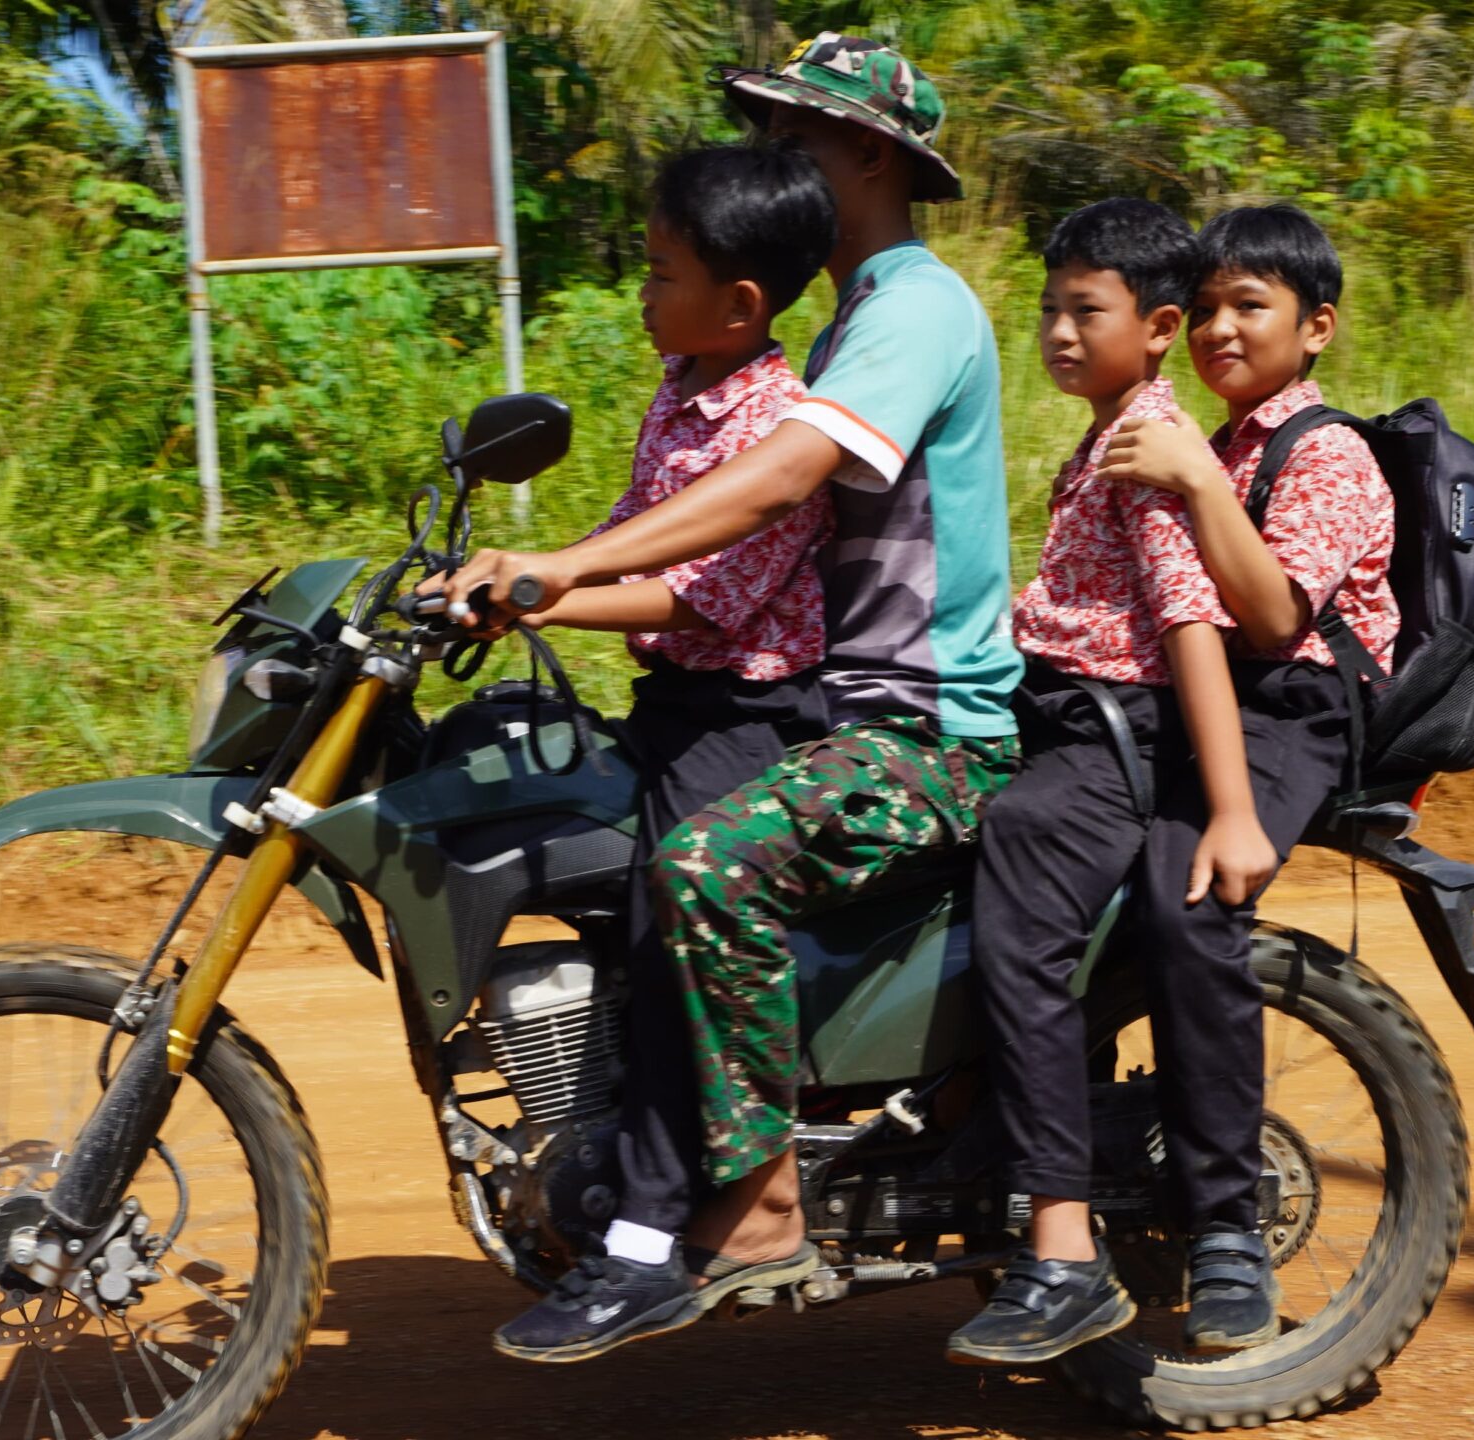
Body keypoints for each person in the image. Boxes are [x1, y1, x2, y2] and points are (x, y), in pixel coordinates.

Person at [447, 34, 1026, 1363]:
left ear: (867, 155)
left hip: (924, 732)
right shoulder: (843, 318)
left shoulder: (914, 311)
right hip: (854, 713)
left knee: (703, 870)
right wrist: (532, 583)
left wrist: (561, 567)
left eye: (793, 136)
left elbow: (770, 488)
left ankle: (758, 1208)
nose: (771, 161)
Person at [989, 200, 1400, 1357]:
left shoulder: (1324, 453)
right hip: (1200, 702)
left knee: (1189, 899)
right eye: (1209, 308)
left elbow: (1265, 619)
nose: (1222, 329)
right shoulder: (1198, 440)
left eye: (1249, 308)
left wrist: (1232, 812)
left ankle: (1223, 1227)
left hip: (1292, 712)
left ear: (1315, 327)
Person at [493, 143, 838, 1354]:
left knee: (662, 923)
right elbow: (633, 534)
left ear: (740, 301)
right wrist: (500, 577)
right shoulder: (686, 380)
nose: (641, 293)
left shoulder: (780, 425)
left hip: (748, 718)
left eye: (658, 271)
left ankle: (642, 1240)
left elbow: (698, 598)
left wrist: (536, 593)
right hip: (675, 710)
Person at [942, 196, 1282, 1365]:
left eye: (1086, 311)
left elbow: (1190, 627)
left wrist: (1231, 808)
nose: (1057, 332)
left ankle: (1063, 1251)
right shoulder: (1105, 435)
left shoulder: (1142, 443)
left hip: (1105, 745)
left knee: (1021, 921)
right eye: (1046, 310)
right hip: (1064, 720)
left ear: (1157, 325)